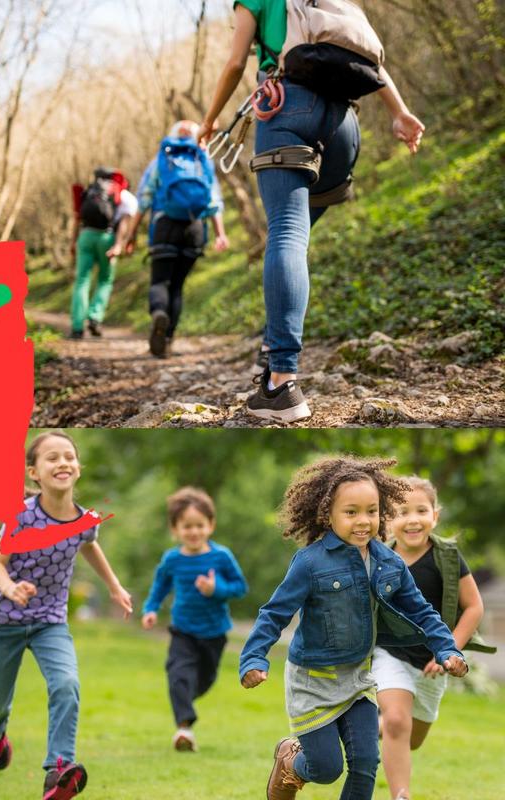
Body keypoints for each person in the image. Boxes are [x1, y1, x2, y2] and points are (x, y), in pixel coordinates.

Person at [199, 2, 425, 422]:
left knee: (287, 233)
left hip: (285, 106)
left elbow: (234, 63)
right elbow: (369, 56)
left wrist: (210, 120)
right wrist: (399, 111)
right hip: (344, 126)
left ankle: (281, 382)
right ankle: (273, 345)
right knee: (294, 236)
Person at [239, 456, 467, 800]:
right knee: (327, 769)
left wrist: (447, 648)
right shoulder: (310, 562)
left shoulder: (388, 562)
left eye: (372, 511)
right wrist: (254, 658)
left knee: (365, 762)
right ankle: (291, 762)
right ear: (328, 514)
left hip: (359, 680)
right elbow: (274, 613)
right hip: (313, 683)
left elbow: (422, 611)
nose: (364, 521)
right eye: (351, 512)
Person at [0, 431, 133, 800]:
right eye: (52, 458)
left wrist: (114, 586)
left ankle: (59, 768)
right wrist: (10, 588)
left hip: (50, 622)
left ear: (78, 468)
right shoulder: (21, 516)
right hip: (5, 621)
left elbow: (90, 545)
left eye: (69, 456)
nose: (62, 462)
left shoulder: (85, 520)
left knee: (66, 685)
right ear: (34, 472)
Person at [372, 476, 494, 800]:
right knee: (397, 721)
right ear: (387, 520)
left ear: (435, 516)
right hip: (388, 654)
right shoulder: (378, 559)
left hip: (432, 662)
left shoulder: (448, 557)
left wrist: (448, 650)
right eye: (402, 511)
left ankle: (375, 729)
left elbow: (474, 607)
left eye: (421, 510)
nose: (412, 519)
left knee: (411, 738)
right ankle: (401, 794)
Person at [141, 487, 247, 752]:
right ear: (175, 529)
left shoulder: (221, 556)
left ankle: (184, 700)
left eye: (199, 525)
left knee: (204, 681)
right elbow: (160, 587)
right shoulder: (172, 559)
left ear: (210, 525)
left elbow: (240, 587)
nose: (194, 532)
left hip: (214, 632)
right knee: (177, 674)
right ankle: (184, 730)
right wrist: (151, 609)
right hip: (183, 630)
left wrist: (216, 590)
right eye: (187, 526)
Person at [112, 121, 229, 358]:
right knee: (177, 287)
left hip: (165, 225)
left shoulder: (162, 160)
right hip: (195, 228)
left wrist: (130, 235)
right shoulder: (203, 160)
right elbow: (214, 202)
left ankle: (158, 314)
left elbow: (143, 200)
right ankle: (167, 340)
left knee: (160, 282)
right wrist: (220, 234)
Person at [69, 167, 138, 339]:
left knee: (82, 281)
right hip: (106, 238)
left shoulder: (89, 192)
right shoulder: (122, 195)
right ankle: (95, 317)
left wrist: (73, 241)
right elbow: (124, 221)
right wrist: (118, 245)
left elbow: (77, 218)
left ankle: (77, 326)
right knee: (105, 280)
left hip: (85, 236)